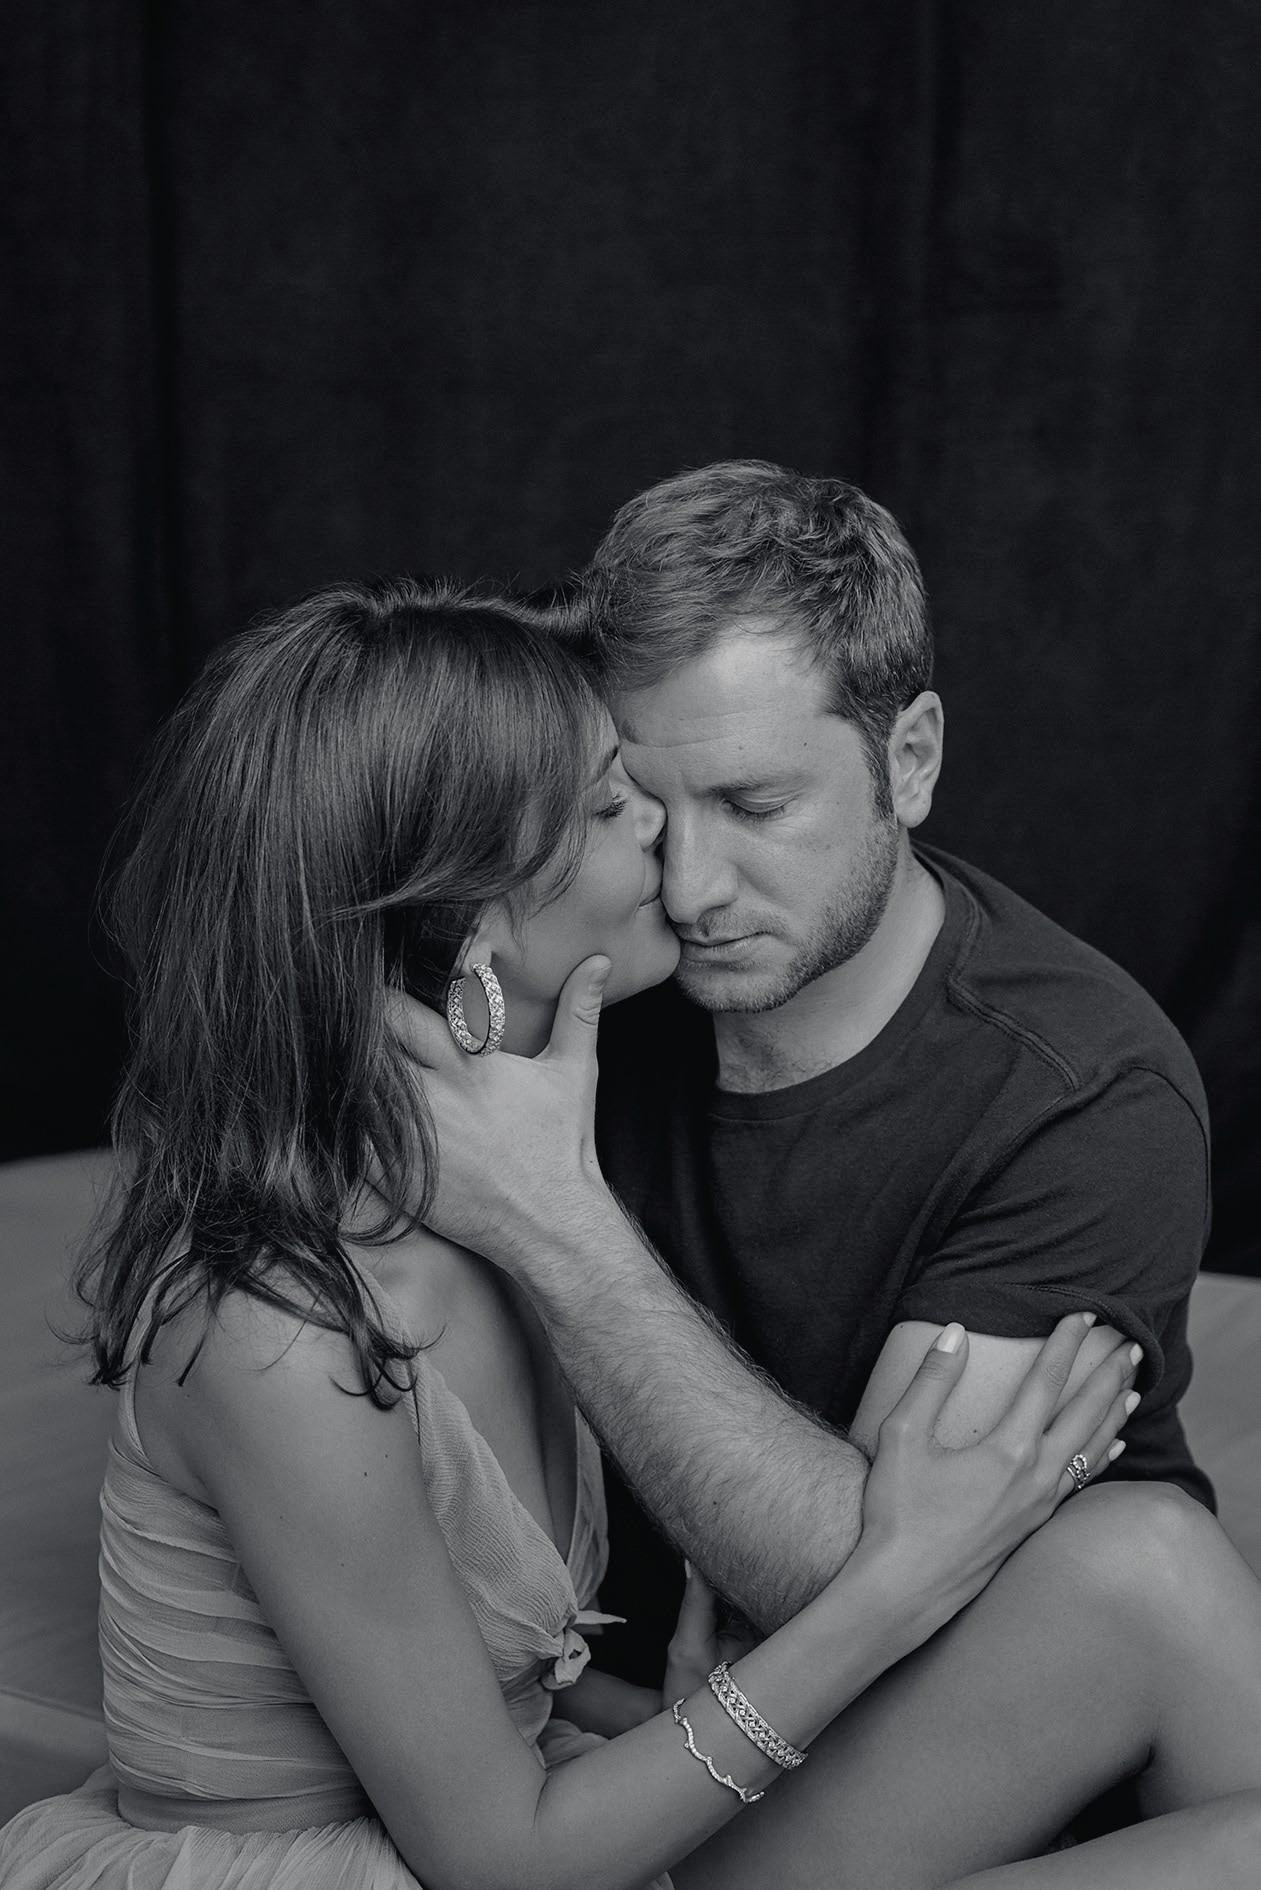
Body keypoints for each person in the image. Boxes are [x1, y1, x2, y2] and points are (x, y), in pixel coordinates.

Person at [4, 576, 1260, 1890]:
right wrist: (900, 1571)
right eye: (617, 801)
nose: (672, 844)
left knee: (1151, 1559)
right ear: (477, 918)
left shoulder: (496, 1198)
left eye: (745, 802)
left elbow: (486, 1695)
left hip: (556, 1818)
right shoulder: (284, 1332)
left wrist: (670, 1713)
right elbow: (501, 1857)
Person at [391, 461, 1216, 1686]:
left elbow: (862, 1596)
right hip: (628, 1710)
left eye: (755, 805)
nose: (689, 892)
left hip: (996, 1720)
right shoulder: (596, 965)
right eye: (641, 808)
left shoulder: (1083, 1093)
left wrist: (554, 1222)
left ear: (911, 759)